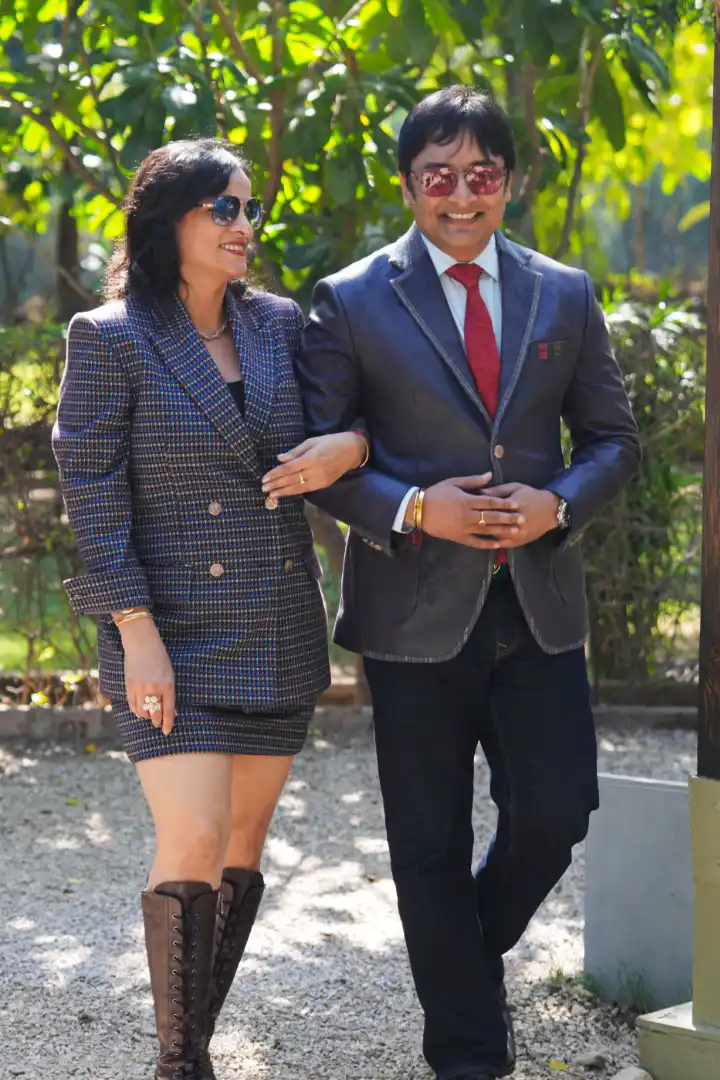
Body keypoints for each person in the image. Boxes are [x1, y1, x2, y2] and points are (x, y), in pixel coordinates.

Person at [268, 87, 642, 1079]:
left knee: (557, 812)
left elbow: (614, 441)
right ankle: (469, 1053)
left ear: (509, 182)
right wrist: (409, 507)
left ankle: (462, 962)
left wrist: (560, 503)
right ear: (408, 185)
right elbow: (320, 458)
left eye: (482, 175)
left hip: (539, 606)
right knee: (427, 843)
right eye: (440, 176)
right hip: (412, 613)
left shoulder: (565, 292)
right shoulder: (350, 298)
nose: (462, 195)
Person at [52, 138, 368, 1080]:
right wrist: (134, 633)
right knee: (191, 834)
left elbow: (352, 420)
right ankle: (180, 1064)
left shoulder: (278, 324)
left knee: (239, 844)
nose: (244, 225)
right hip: (166, 631)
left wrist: (348, 449)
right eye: (222, 208)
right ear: (169, 221)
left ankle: (187, 1039)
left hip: (273, 620)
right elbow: (93, 496)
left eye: (248, 207)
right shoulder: (109, 336)